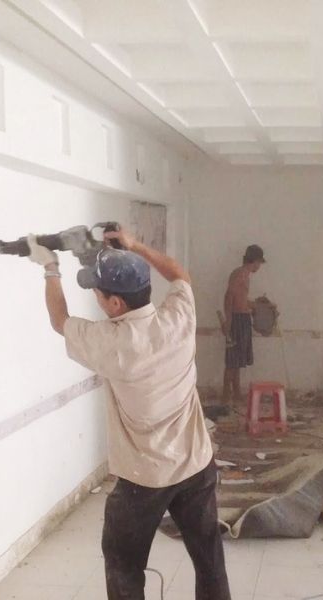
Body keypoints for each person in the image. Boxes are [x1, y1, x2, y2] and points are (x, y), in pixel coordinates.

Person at [26, 228, 230, 600]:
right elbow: (179, 274)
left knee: (124, 567)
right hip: (195, 464)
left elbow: (60, 321)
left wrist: (50, 267)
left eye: (98, 292)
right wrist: (134, 246)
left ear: (116, 304)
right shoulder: (178, 318)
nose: (95, 296)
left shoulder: (115, 343)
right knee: (209, 558)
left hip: (145, 478)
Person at [222, 244, 266, 406]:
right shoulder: (240, 274)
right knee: (232, 361)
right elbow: (229, 296)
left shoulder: (245, 275)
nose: (259, 266)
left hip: (243, 318)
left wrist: (259, 306)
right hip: (237, 319)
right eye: (259, 263)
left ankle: (236, 395)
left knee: (238, 361)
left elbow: (242, 300)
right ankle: (225, 397)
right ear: (255, 261)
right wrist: (228, 321)